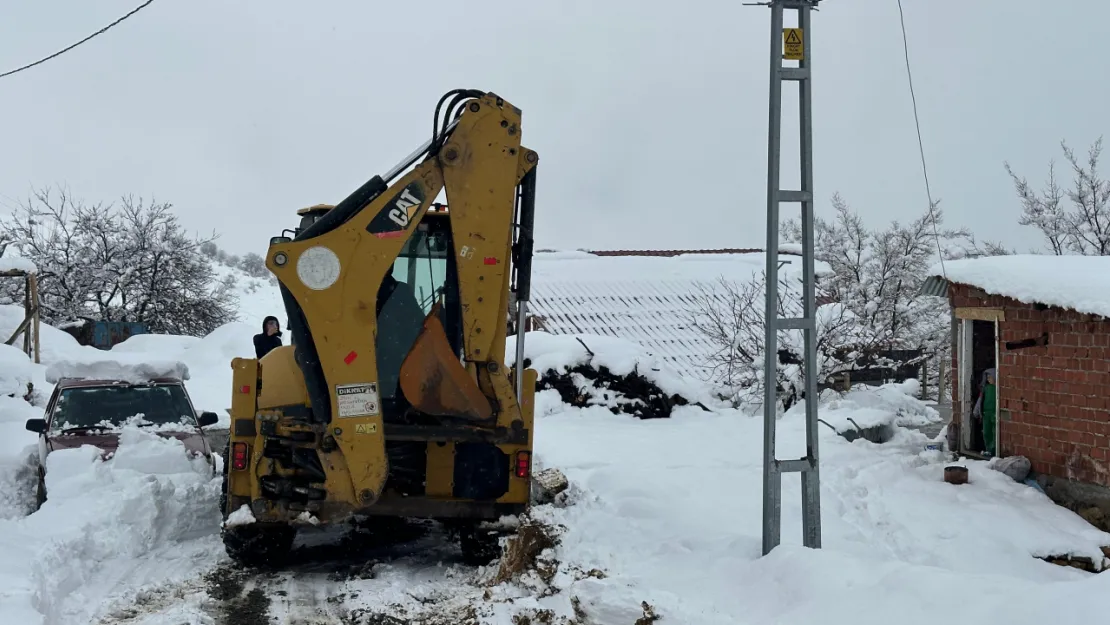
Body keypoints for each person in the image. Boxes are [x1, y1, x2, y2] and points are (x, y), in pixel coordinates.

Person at [972, 368, 997, 457]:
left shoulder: (998, 389)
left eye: (990, 377)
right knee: (986, 432)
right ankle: (988, 450)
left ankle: (994, 450)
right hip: (986, 413)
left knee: (995, 432)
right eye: (987, 378)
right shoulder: (986, 388)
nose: (988, 379)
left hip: (995, 413)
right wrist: (977, 411)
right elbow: (980, 400)